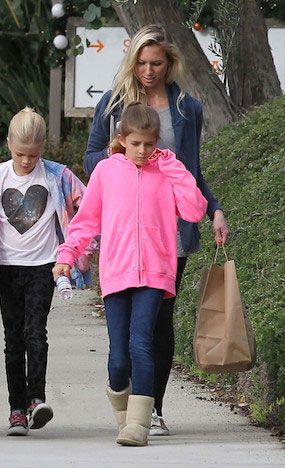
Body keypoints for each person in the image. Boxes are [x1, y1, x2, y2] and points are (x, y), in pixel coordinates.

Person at [83, 24, 230, 435]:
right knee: (130, 335)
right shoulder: (114, 105)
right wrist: (117, 160)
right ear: (134, 62)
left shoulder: (187, 109)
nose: (148, 71)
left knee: (158, 322)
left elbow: (191, 172)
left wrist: (213, 208)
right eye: (142, 63)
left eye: (157, 64)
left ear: (170, 63)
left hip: (171, 231)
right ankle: (131, 402)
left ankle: (153, 409)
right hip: (124, 235)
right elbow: (91, 157)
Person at [54, 103, 207, 446]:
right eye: (136, 143)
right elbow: (86, 222)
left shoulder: (167, 170)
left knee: (141, 345)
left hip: (155, 274)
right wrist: (66, 256)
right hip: (117, 273)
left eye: (149, 145)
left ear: (156, 143)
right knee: (118, 357)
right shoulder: (107, 172)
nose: (142, 151)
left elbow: (195, 210)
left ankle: (139, 425)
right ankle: (125, 420)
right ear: (122, 140)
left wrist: (173, 166)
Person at [0, 107, 91, 436]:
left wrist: (82, 250)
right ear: (8, 144)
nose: (26, 161)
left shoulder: (57, 177)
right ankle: (16, 410)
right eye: (20, 153)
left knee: (36, 334)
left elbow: (89, 206)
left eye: (33, 155)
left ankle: (36, 400)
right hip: (6, 269)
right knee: (12, 339)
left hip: (44, 268)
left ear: (43, 147)